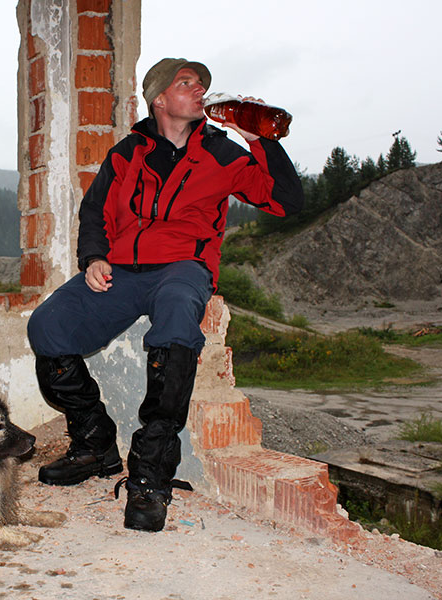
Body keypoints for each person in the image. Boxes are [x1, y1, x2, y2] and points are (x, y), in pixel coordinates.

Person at [27, 57, 304, 532]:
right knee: (47, 327)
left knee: (177, 320)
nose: (200, 90)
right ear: (159, 98)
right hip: (122, 268)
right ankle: (94, 443)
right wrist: (93, 258)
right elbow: (94, 213)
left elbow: (285, 201)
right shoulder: (126, 153)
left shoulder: (223, 152)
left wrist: (259, 138)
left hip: (182, 267)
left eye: (202, 84)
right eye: (187, 83)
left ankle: (151, 476)